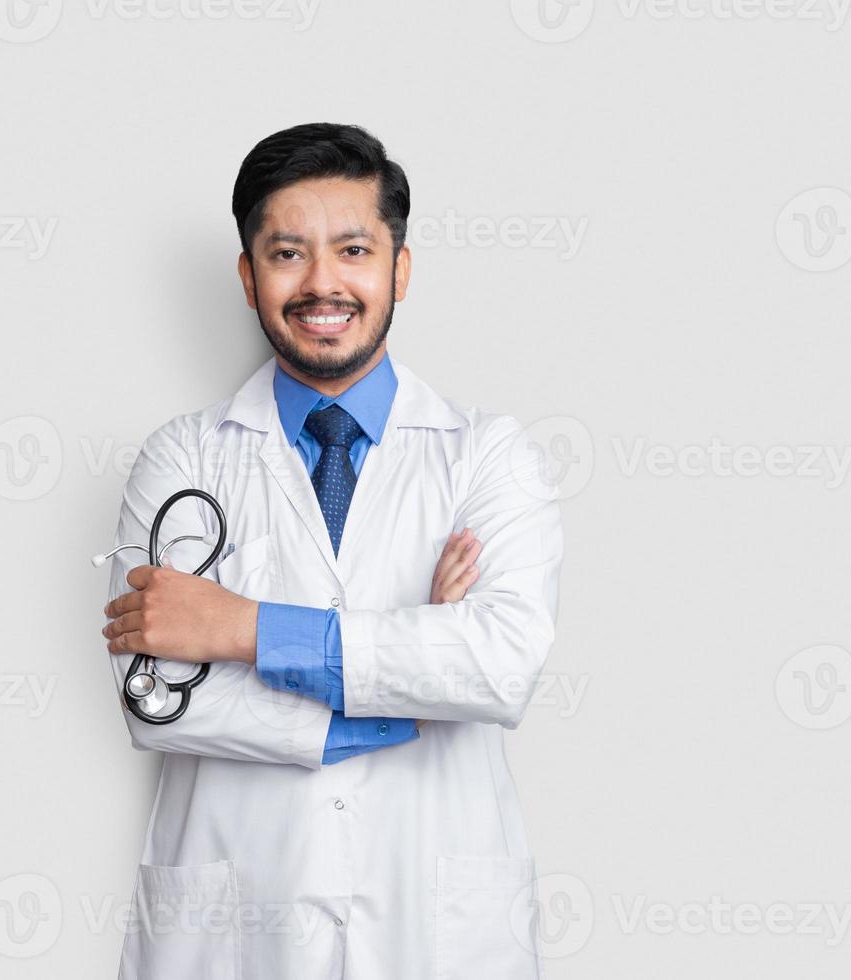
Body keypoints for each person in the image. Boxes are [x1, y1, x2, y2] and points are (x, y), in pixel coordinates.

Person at [101, 122, 564, 980]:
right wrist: (414, 685)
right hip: (237, 922)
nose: (323, 284)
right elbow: (160, 705)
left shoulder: (488, 456)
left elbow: (501, 667)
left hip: (435, 921)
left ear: (401, 268)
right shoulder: (184, 459)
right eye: (287, 253)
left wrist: (240, 629)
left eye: (353, 249)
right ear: (248, 277)